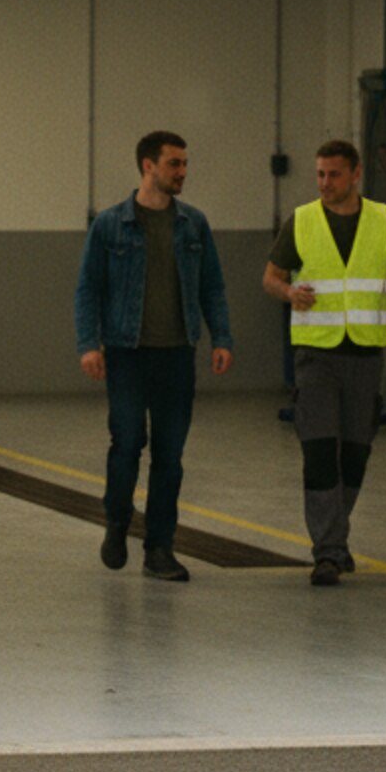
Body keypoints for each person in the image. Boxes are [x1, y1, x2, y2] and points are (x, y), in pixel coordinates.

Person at [262, 139, 386, 586]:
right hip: (316, 355)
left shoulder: (381, 219)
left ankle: (334, 539)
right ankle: (329, 552)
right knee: (319, 453)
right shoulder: (300, 221)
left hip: (364, 357)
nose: (324, 183)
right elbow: (271, 278)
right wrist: (289, 293)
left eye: (333, 174)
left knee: (354, 454)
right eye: (319, 174)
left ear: (355, 174)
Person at [74, 131, 234, 582]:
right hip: (127, 354)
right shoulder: (110, 225)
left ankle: (160, 548)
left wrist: (221, 337)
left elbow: (212, 286)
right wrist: (89, 344)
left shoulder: (193, 225)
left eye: (185, 164)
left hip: (177, 355)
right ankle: (117, 521)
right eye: (174, 164)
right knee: (127, 444)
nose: (182, 172)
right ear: (149, 166)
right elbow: (88, 288)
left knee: (170, 455)